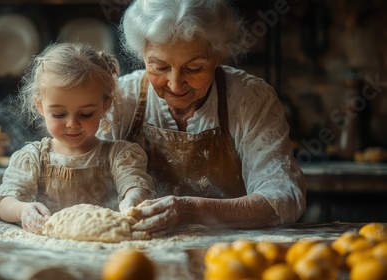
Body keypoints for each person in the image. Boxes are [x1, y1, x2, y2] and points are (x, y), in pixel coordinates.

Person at [96, 0, 306, 234]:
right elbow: (85, 180)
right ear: (142, 55)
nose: (175, 84)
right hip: (138, 256)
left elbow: (283, 198)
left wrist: (191, 209)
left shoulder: (251, 99)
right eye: (160, 67)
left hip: (229, 256)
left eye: (194, 68)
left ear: (218, 56)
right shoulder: (121, 99)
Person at [0, 43, 155, 234]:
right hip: (47, 249)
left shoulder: (119, 156)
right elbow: (4, 202)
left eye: (86, 114)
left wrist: (133, 200)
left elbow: (135, 187)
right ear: (40, 106)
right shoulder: (33, 157)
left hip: (103, 247)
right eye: (59, 114)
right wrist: (22, 210)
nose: (72, 124)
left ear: (105, 105)